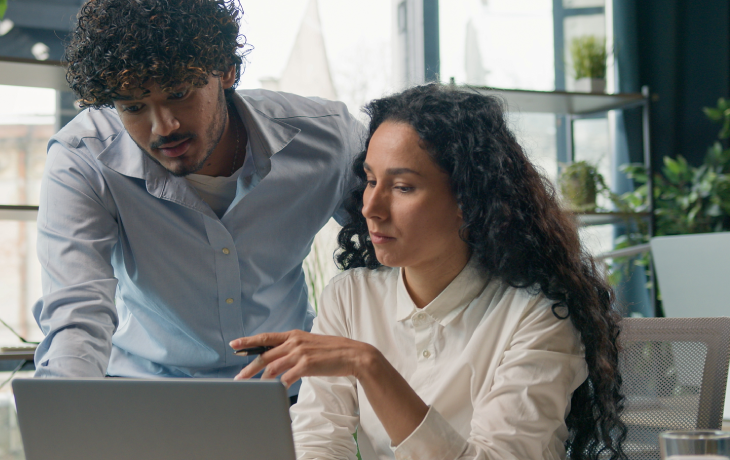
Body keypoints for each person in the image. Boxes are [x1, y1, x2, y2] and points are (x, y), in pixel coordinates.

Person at [231, 84, 628, 460]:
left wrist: (371, 367)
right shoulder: (350, 297)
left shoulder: (537, 317)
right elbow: (318, 438)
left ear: (468, 200)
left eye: (402, 187)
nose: (371, 207)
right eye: (370, 181)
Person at [32, 0, 364, 385]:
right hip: (143, 392)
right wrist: (68, 421)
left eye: (178, 93)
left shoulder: (328, 139)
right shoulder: (83, 158)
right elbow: (76, 315)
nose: (164, 127)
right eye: (134, 106)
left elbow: (400, 252)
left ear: (225, 69)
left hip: (285, 389)